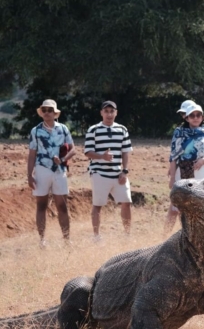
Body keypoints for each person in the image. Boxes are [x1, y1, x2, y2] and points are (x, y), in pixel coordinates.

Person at [27, 99, 76, 247]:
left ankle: (67, 240)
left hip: (59, 171)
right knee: (41, 205)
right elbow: (32, 154)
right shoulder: (35, 131)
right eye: (44, 110)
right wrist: (29, 175)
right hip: (41, 169)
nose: (47, 112)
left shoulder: (63, 129)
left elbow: (73, 149)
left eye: (50, 110)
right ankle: (42, 240)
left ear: (55, 113)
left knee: (62, 205)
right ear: (41, 112)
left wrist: (62, 159)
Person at [164, 103, 204, 234]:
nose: (195, 117)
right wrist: (172, 179)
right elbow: (173, 156)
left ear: (202, 117)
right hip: (181, 172)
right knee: (176, 205)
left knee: (200, 204)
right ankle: (165, 236)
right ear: (186, 118)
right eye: (192, 115)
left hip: (201, 172)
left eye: (198, 115)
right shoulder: (179, 133)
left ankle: (196, 235)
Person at [84, 101, 133, 241]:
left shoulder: (122, 129)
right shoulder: (93, 130)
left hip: (118, 173)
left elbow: (125, 152)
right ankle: (96, 236)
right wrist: (102, 157)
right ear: (101, 113)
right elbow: (87, 152)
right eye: (106, 111)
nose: (109, 114)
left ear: (116, 113)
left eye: (112, 111)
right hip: (99, 173)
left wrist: (125, 171)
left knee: (126, 202)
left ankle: (127, 235)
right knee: (98, 205)